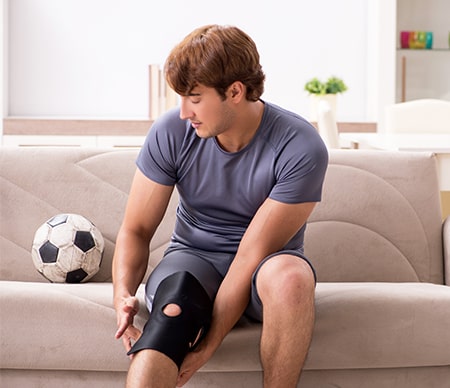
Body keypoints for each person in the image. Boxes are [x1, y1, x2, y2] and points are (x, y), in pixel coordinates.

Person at [113, 24, 328, 388]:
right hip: (194, 259)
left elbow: (249, 255)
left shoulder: (300, 146)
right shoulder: (171, 132)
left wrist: (207, 346)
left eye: (194, 98)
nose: (183, 112)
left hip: (264, 268)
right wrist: (122, 293)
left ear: (234, 91)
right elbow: (136, 229)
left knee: (291, 279)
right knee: (172, 311)